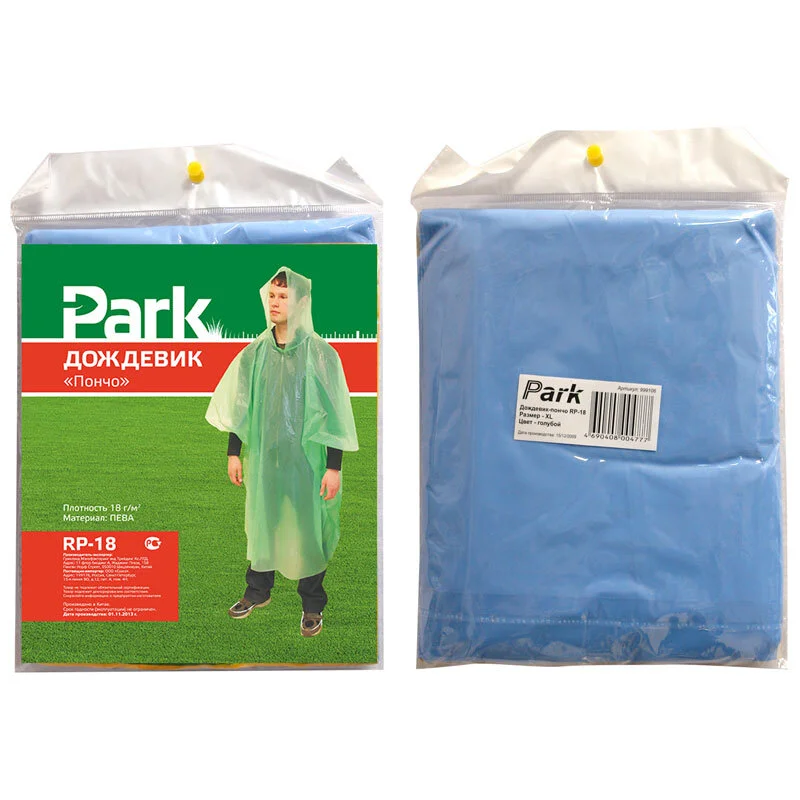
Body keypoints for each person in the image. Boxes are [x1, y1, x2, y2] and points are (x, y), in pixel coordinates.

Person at [206, 267, 358, 636]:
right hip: (265, 460)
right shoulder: (254, 353)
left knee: (308, 528)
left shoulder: (321, 354)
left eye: (284, 297)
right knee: (264, 522)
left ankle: (312, 602)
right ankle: (257, 591)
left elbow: (334, 414)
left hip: (307, 462)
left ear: (302, 302)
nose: (275, 303)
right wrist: (233, 452)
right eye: (272, 296)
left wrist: (333, 467)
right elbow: (241, 406)